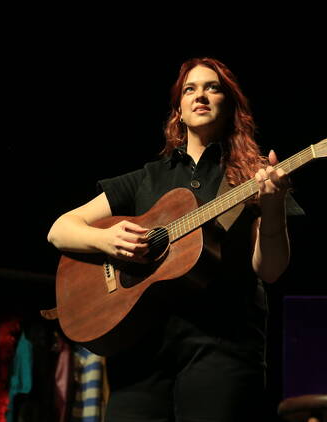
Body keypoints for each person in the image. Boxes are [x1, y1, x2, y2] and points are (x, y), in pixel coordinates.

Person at [47, 57, 302, 421]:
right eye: (190, 89)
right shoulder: (146, 178)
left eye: (212, 88)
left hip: (223, 349)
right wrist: (108, 241)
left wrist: (274, 207)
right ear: (178, 111)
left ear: (229, 104)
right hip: (141, 355)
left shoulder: (252, 176)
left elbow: (271, 269)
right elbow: (60, 230)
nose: (201, 96)